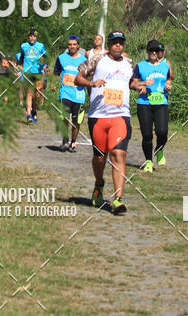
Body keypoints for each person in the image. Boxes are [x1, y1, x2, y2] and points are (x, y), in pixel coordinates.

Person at [75, 31, 145, 215]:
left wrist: (138, 87)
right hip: (98, 116)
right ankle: (99, 184)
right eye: (115, 42)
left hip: (121, 115)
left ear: (124, 45)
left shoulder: (129, 63)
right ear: (110, 44)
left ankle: (117, 199)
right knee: (100, 158)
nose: (118, 46)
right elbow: (78, 78)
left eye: (121, 43)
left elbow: (130, 82)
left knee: (118, 154)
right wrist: (92, 84)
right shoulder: (97, 60)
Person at [133, 40, 172, 172]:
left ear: (159, 52)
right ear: (147, 52)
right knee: (147, 135)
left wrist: (168, 85)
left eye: (156, 50)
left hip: (161, 103)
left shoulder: (165, 66)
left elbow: (168, 79)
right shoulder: (140, 66)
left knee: (162, 132)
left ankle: (159, 149)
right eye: (151, 50)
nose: (154, 53)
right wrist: (142, 85)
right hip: (144, 104)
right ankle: (148, 161)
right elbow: (133, 84)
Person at [51, 35, 87, 152]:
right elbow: (56, 72)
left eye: (74, 44)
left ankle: (73, 142)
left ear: (78, 46)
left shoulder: (84, 60)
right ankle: (65, 138)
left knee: (76, 122)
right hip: (65, 93)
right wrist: (53, 84)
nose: (72, 46)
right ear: (67, 46)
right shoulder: (61, 58)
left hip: (79, 95)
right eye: (70, 44)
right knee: (64, 117)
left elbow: (88, 77)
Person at [16, 29, 46, 123]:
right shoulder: (23, 46)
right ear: (28, 37)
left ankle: (34, 110)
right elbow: (21, 58)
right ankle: (28, 114)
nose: (32, 38)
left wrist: (42, 59)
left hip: (38, 72)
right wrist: (19, 67)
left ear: (36, 37)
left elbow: (45, 58)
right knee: (29, 93)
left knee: (36, 95)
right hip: (28, 72)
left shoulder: (41, 46)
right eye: (30, 36)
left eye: (34, 36)